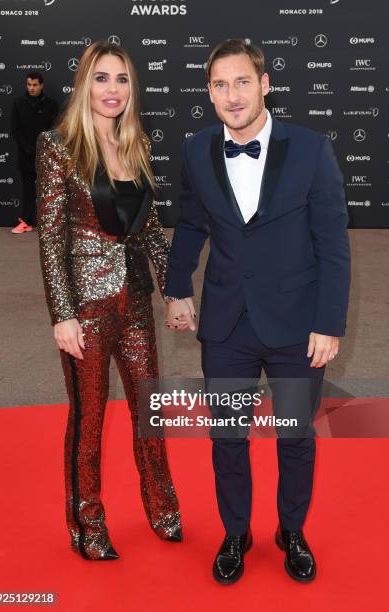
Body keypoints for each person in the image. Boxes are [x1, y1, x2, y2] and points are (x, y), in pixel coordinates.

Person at [165, 38, 350, 584]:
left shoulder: (311, 149)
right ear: (209, 93)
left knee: (294, 436)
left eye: (243, 81)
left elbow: (333, 244)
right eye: (220, 84)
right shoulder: (198, 149)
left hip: (298, 326)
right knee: (227, 437)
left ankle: (291, 530)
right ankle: (235, 531)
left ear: (265, 84)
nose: (233, 94)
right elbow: (192, 225)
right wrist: (177, 289)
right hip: (226, 325)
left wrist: (329, 323)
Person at [36, 41, 181, 561]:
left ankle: (163, 509)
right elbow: (51, 238)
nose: (112, 89)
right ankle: (88, 523)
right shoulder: (59, 145)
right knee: (89, 418)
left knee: (150, 412)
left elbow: (149, 232)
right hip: (87, 307)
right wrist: (63, 315)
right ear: (84, 84)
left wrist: (176, 293)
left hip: (136, 300)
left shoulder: (137, 143)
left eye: (121, 79)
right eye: (102, 78)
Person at [11, 72, 58, 234]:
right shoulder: (18, 103)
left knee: (49, 191)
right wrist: (28, 148)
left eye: (35, 85)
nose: (31, 88)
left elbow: (54, 129)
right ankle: (25, 222)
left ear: (41, 85)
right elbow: (15, 130)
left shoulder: (51, 105)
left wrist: (41, 148)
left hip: (45, 155)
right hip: (26, 156)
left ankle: (50, 225)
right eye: (29, 85)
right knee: (28, 191)